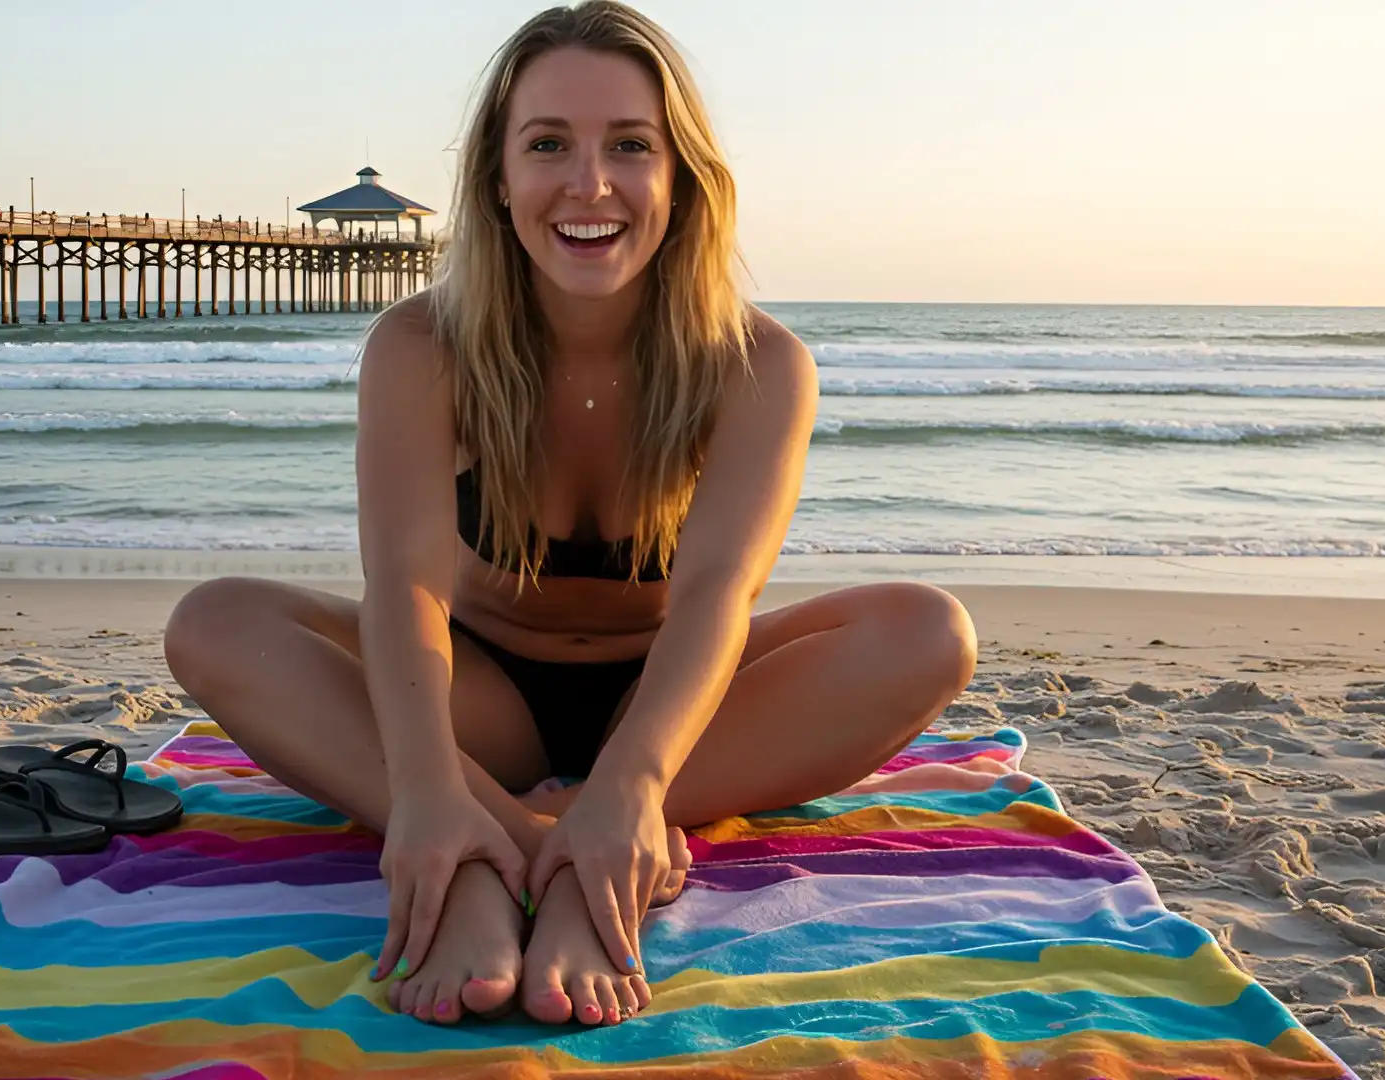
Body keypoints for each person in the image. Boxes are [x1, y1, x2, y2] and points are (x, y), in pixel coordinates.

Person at [166, 0, 976, 1031]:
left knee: (927, 633)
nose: (589, 184)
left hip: (679, 710)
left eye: (629, 146)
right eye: (548, 143)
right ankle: (496, 847)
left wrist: (634, 781)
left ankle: (594, 832)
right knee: (217, 622)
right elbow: (407, 587)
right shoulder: (422, 347)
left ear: (678, 179)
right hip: (481, 699)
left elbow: (718, 596)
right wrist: (424, 786)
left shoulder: (757, 366)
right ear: (499, 181)